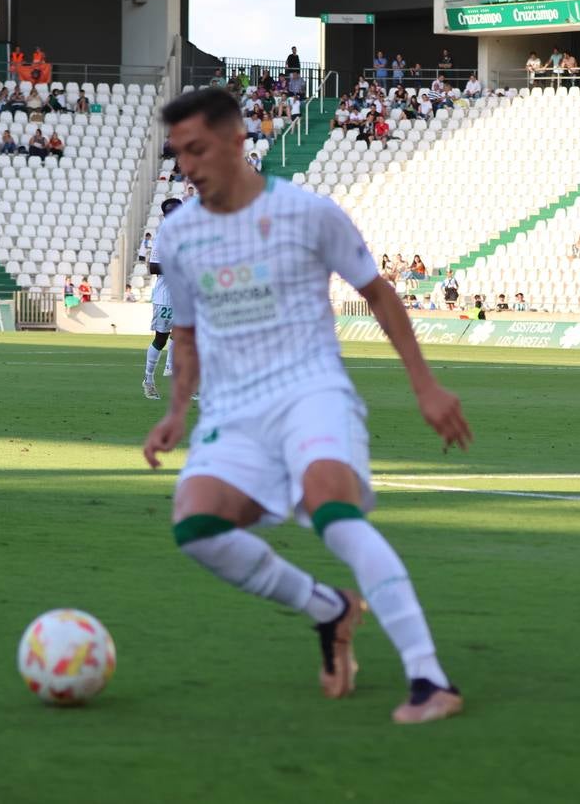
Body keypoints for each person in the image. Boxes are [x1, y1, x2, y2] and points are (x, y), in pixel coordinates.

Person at [142, 87, 470, 724]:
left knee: (332, 511)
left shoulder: (308, 213)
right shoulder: (179, 236)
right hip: (234, 411)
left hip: (309, 392)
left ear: (239, 141)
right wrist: (177, 412)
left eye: (198, 149)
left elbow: (379, 295)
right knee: (197, 526)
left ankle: (429, 678)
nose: (187, 165)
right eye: (179, 153)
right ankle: (331, 608)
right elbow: (184, 337)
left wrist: (425, 385)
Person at [142, 197, 182, 401]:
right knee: (161, 337)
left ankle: (173, 369)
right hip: (166, 295)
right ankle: (148, 380)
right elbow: (154, 267)